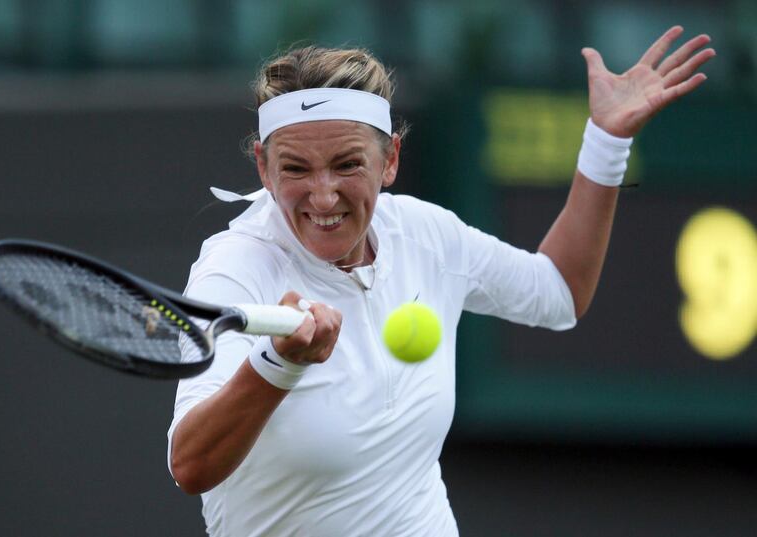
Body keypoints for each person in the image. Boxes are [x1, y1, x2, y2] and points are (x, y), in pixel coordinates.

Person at [168, 27, 714, 536]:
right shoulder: (233, 270)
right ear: (263, 168)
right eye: (295, 169)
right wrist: (277, 364)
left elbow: (559, 293)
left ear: (390, 161)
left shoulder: (426, 235)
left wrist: (606, 143)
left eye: (347, 164)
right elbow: (191, 465)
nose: (324, 195)